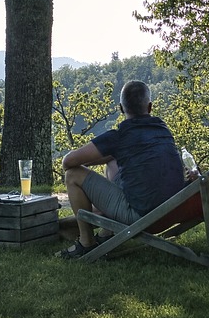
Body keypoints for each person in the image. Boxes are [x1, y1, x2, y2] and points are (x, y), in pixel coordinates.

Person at [57, 80, 186, 259]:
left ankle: (86, 243)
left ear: (121, 108)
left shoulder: (119, 136)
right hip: (172, 209)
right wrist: (111, 155)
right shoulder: (162, 130)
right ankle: (106, 232)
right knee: (112, 162)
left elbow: (68, 162)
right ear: (149, 107)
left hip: (143, 216)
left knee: (72, 175)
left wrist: (88, 164)